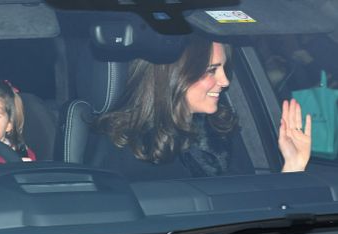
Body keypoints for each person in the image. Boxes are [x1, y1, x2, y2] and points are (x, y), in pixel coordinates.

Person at [87, 35, 311, 181]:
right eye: (212, 70)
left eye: (224, 68)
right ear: (174, 75)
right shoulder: (127, 145)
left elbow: (248, 213)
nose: (225, 81)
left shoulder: (220, 132)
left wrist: (292, 166)